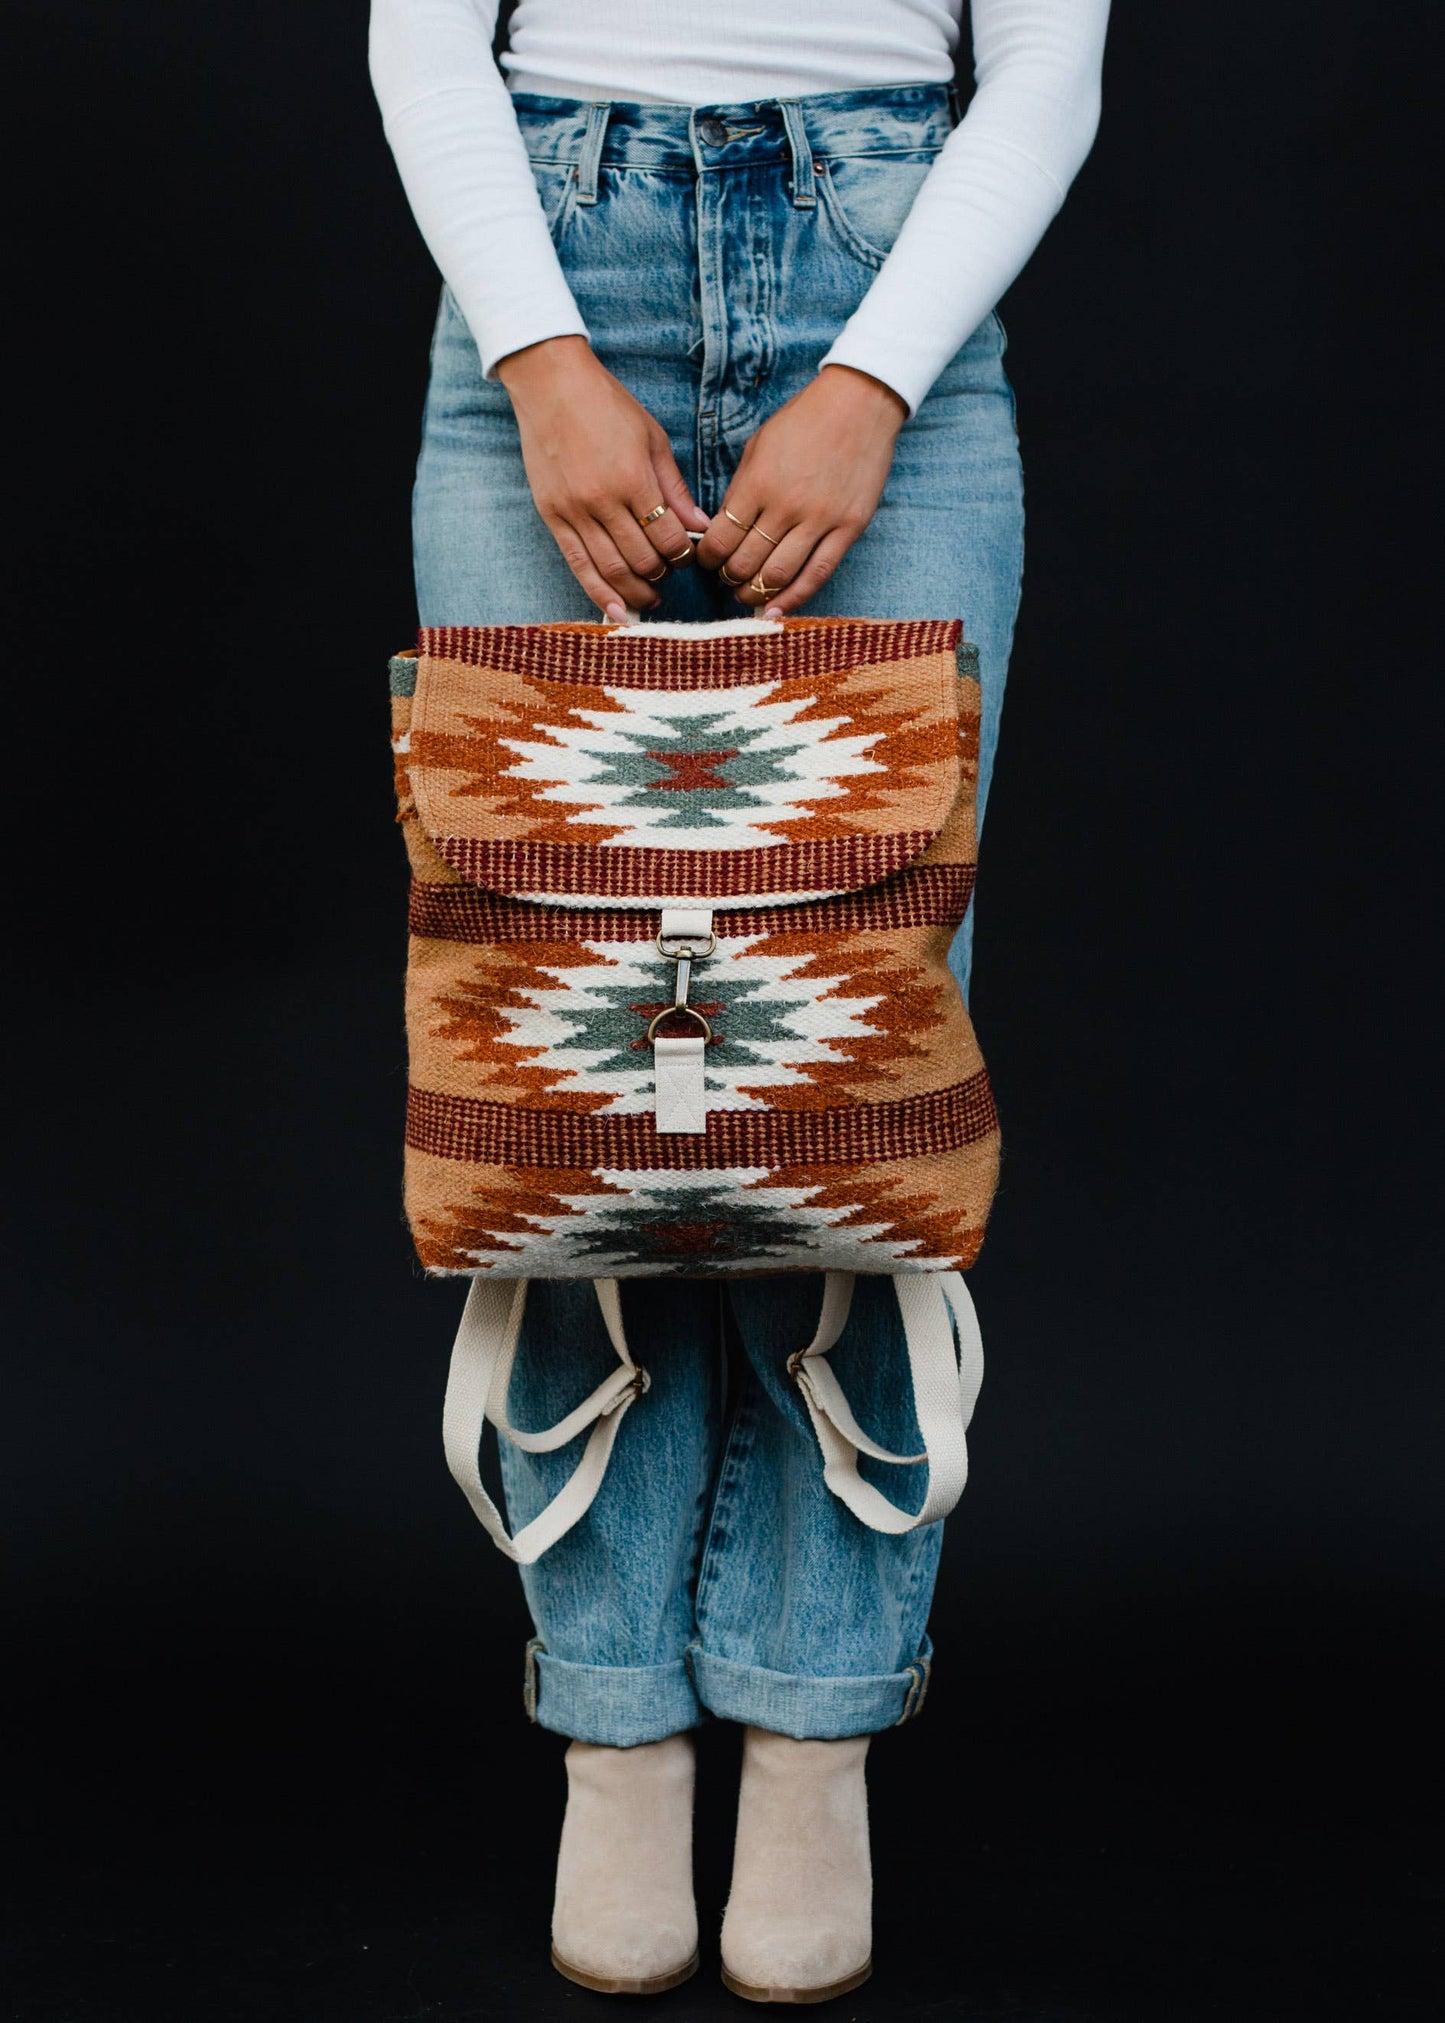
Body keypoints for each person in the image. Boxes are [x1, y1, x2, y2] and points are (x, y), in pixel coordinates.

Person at [370, 0, 1108, 2002]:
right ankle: (611, 1719)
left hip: (898, 302)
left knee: (844, 1071)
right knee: (577, 1063)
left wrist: (869, 377)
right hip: (551, 263)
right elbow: (422, 34)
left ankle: (816, 1723)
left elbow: (1047, 57)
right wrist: (539, 357)